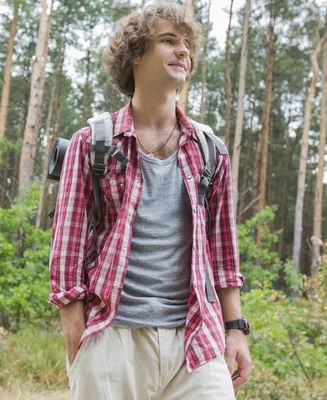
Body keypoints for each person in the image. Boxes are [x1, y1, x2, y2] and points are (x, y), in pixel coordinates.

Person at [48, 2, 251, 398]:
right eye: (168, 41)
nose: (183, 52)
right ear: (136, 55)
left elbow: (223, 255)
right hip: (112, 333)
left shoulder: (211, 151)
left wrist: (235, 328)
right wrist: (74, 328)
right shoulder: (92, 143)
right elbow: (67, 246)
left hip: (196, 336)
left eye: (187, 45)